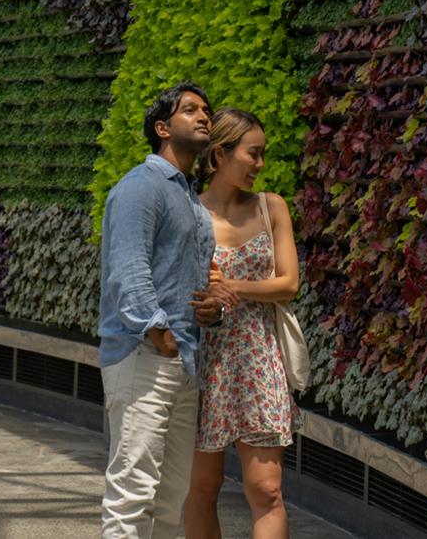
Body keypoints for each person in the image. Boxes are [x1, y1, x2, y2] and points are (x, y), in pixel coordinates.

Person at [98, 81, 238, 538]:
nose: (203, 116)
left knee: (172, 497)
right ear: (162, 127)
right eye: (190, 110)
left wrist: (210, 311)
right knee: (133, 490)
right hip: (144, 354)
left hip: (183, 361)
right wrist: (161, 335)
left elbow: (194, 280)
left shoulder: (190, 201)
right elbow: (127, 267)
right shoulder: (141, 187)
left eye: (207, 110)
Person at [184, 108, 301, 539]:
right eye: (253, 154)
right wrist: (203, 300)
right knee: (201, 488)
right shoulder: (188, 212)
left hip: (259, 359)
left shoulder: (272, 208)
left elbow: (289, 284)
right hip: (204, 362)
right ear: (219, 154)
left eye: (262, 154)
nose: (260, 164)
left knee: (266, 489)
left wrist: (232, 287)